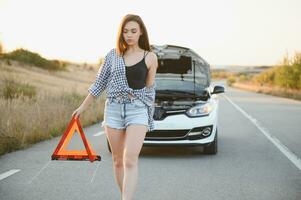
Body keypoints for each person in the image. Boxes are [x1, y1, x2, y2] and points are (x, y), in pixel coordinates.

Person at [72, 14, 158, 200]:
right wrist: (82, 108)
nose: (129, 35)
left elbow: (150, 90)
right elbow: (99, 84)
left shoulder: (150, 57)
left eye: (133, 31)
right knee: (118, 161)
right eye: (125, 31)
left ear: (141, 32)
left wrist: (149, 112)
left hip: (137, 110)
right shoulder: (113, 55)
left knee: (130, 159)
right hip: (113, 110)